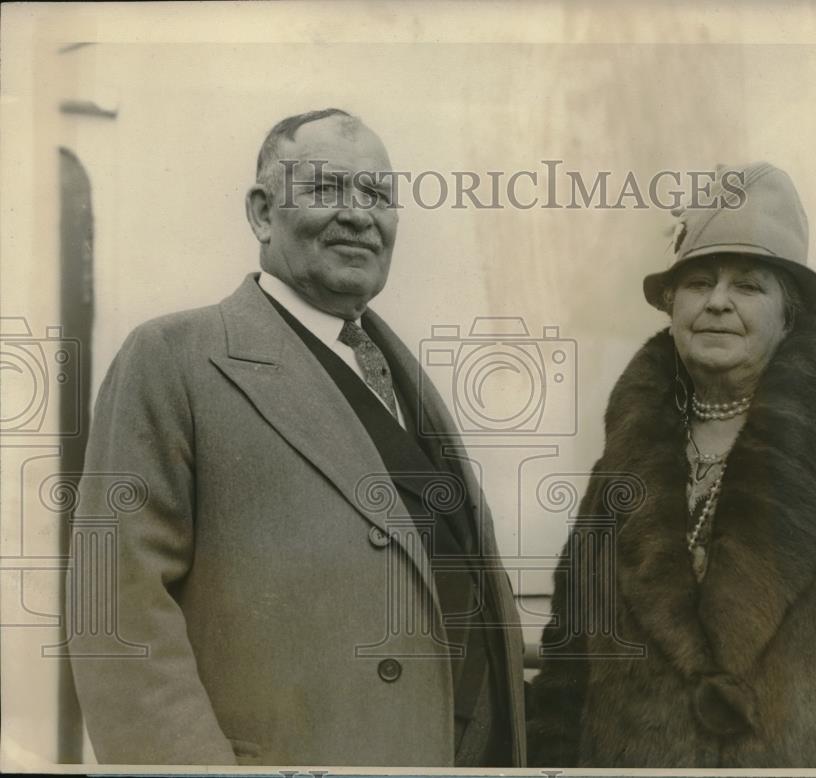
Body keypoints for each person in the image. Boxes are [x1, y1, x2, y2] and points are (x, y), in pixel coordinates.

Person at [67, 108, 526, 767]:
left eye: (376, 195)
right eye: (325, 189)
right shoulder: (174, 360)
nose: (358, 215)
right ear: (261, 213)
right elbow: (117, 623)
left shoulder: (399, 374)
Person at [526, 162, 816, 768]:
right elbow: (568, 658)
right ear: (671, 304)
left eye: (749, 287)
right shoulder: (630, 450)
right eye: (700, 282)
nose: (719, 303)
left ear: (789, 315)